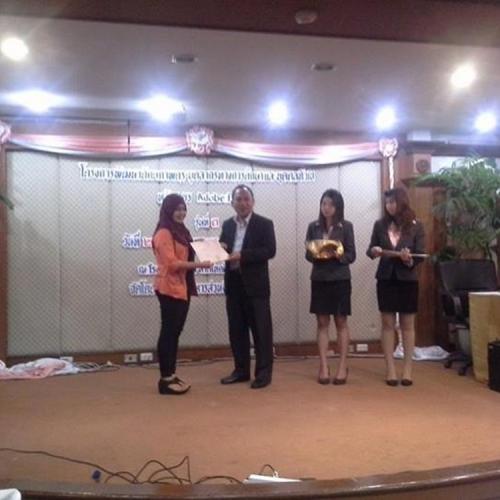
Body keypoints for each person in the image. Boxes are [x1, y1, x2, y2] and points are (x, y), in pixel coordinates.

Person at [152, 194, 211, 395]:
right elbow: (172, 264)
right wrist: (200, 265)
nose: (181, 212)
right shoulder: (164, 232)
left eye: (184, 208)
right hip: (168, 288)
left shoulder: (180, 231)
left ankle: (171, 374)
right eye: (177, 209)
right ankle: (165, 379)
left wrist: (215, 248)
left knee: (175, 332)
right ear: (168, 210)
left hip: (181, 287)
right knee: (169, 332)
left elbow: (191, 248)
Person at [219, 185, 276, 389]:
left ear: (253, 202)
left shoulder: (264, 224)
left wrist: (242, 255)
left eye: (246, 199)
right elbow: (223, 246)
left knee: (261, 331)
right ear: (232, 203)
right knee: (237, 330)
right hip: (233, 283)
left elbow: (269, 250)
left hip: (256, 286)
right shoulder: (227, 224)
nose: (242, 203)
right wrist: (220, 248)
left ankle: (263, 373)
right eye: (238, 199)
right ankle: (241, 370)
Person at [367, 187, 425, 387]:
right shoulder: (379, 224)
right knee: (387, 324)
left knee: (407, 325)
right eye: (387, 202)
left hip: (407, 279)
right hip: (386, 278)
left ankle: (407, 369)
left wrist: (409, 260)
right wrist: (374, 250)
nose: (390, 206)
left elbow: (420, 254)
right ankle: (390, 369)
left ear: (402, 202)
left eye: (393, 202)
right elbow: (370, 249)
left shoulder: (416, 225)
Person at [305, 189, 356, 385]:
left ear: (338, 207)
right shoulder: (313, 226)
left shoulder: (346, 226)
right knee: (322, 322)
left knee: (341, 322)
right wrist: (317, 252)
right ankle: (323, 366)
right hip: (319, 279)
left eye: (331, 205)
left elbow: (351, 255)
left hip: (340, 279)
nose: (326, 208)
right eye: (324, 204)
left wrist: (338, 255)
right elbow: (308, 254)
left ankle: (342, 366)